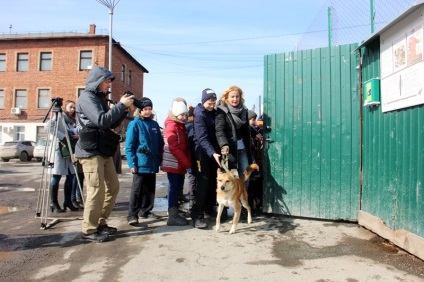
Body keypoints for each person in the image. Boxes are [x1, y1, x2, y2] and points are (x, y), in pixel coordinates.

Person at [75, 66, 134, 243]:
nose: (109, 85)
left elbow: (110, 122)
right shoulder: (86, 98)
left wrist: (123, 110)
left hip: (102, 150)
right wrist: (121, 105)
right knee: (96, 190)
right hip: (90, 151)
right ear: (98, 81)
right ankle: (89, 229)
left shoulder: (99, 98)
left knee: (113, 186)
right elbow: (101, 120)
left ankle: (100, 222)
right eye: (107, 81)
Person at [125, 97, 164, 226]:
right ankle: (132, 214)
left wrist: (159, 159)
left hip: (152, 163)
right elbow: (129, 146)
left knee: (149, 189)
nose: (147, 112)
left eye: (149, 109)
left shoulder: (154, 124)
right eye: (145, 109)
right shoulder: (135, 123)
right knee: (137, 190)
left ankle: (145, 210)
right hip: (140, 163)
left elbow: (160, 143)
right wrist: (132, 163)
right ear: (139, 110)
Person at [191, 88, 222, 229]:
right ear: (203, 101)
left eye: (213, 102)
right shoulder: (199, 115)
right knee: (203, 183)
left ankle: (209, 209)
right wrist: (212, 152)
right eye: (209, 102)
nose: (211, 105)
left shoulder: (213, 113)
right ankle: (197, 215)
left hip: (213, 153)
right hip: (202, 153)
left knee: (211, 183)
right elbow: (202, 138)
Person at [162, 97, 191, 226]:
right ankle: (172, 215)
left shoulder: (180, 126)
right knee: (174, 187)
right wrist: (187, 163)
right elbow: (174, 148)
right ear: (175, 114)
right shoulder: (172, 126)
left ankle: (175, 210)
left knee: (177, 186)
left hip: (179, 163)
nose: (184, 117)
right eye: (182, 115)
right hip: (173, 163)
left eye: (186, 114)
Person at [215, 85, 253, 181]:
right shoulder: (222, 111)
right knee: (232, 178)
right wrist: (224, 144)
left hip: (242, 147)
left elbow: (246, 127)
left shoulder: (244, 110)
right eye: (232, 96)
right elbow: (220, 130)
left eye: (237, 96)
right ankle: (233, 196)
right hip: (229, 150)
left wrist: (255, 132)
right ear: (226, 97)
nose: (235, 99)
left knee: (245, 176)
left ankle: (242, 196)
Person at [48, 99, 78, 213]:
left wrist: (74, 134)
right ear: (65, 108)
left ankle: (67, 201)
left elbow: (70, 131)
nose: (73, 109)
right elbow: (49, 127)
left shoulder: (71, 121)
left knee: (70, 175)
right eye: (71, 107)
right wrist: (63, 136)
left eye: (74, 107)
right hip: (59, 150)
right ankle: (54, 203)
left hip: (68, 150)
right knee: (57, 176)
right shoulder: (59, 117)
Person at [185, 106, 197, 211]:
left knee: (191, 179)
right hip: (194, 156)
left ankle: (192, 200)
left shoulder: (186, 126)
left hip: (189, 156)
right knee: (193, 179)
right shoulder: (192, 127)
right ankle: (192, 201)